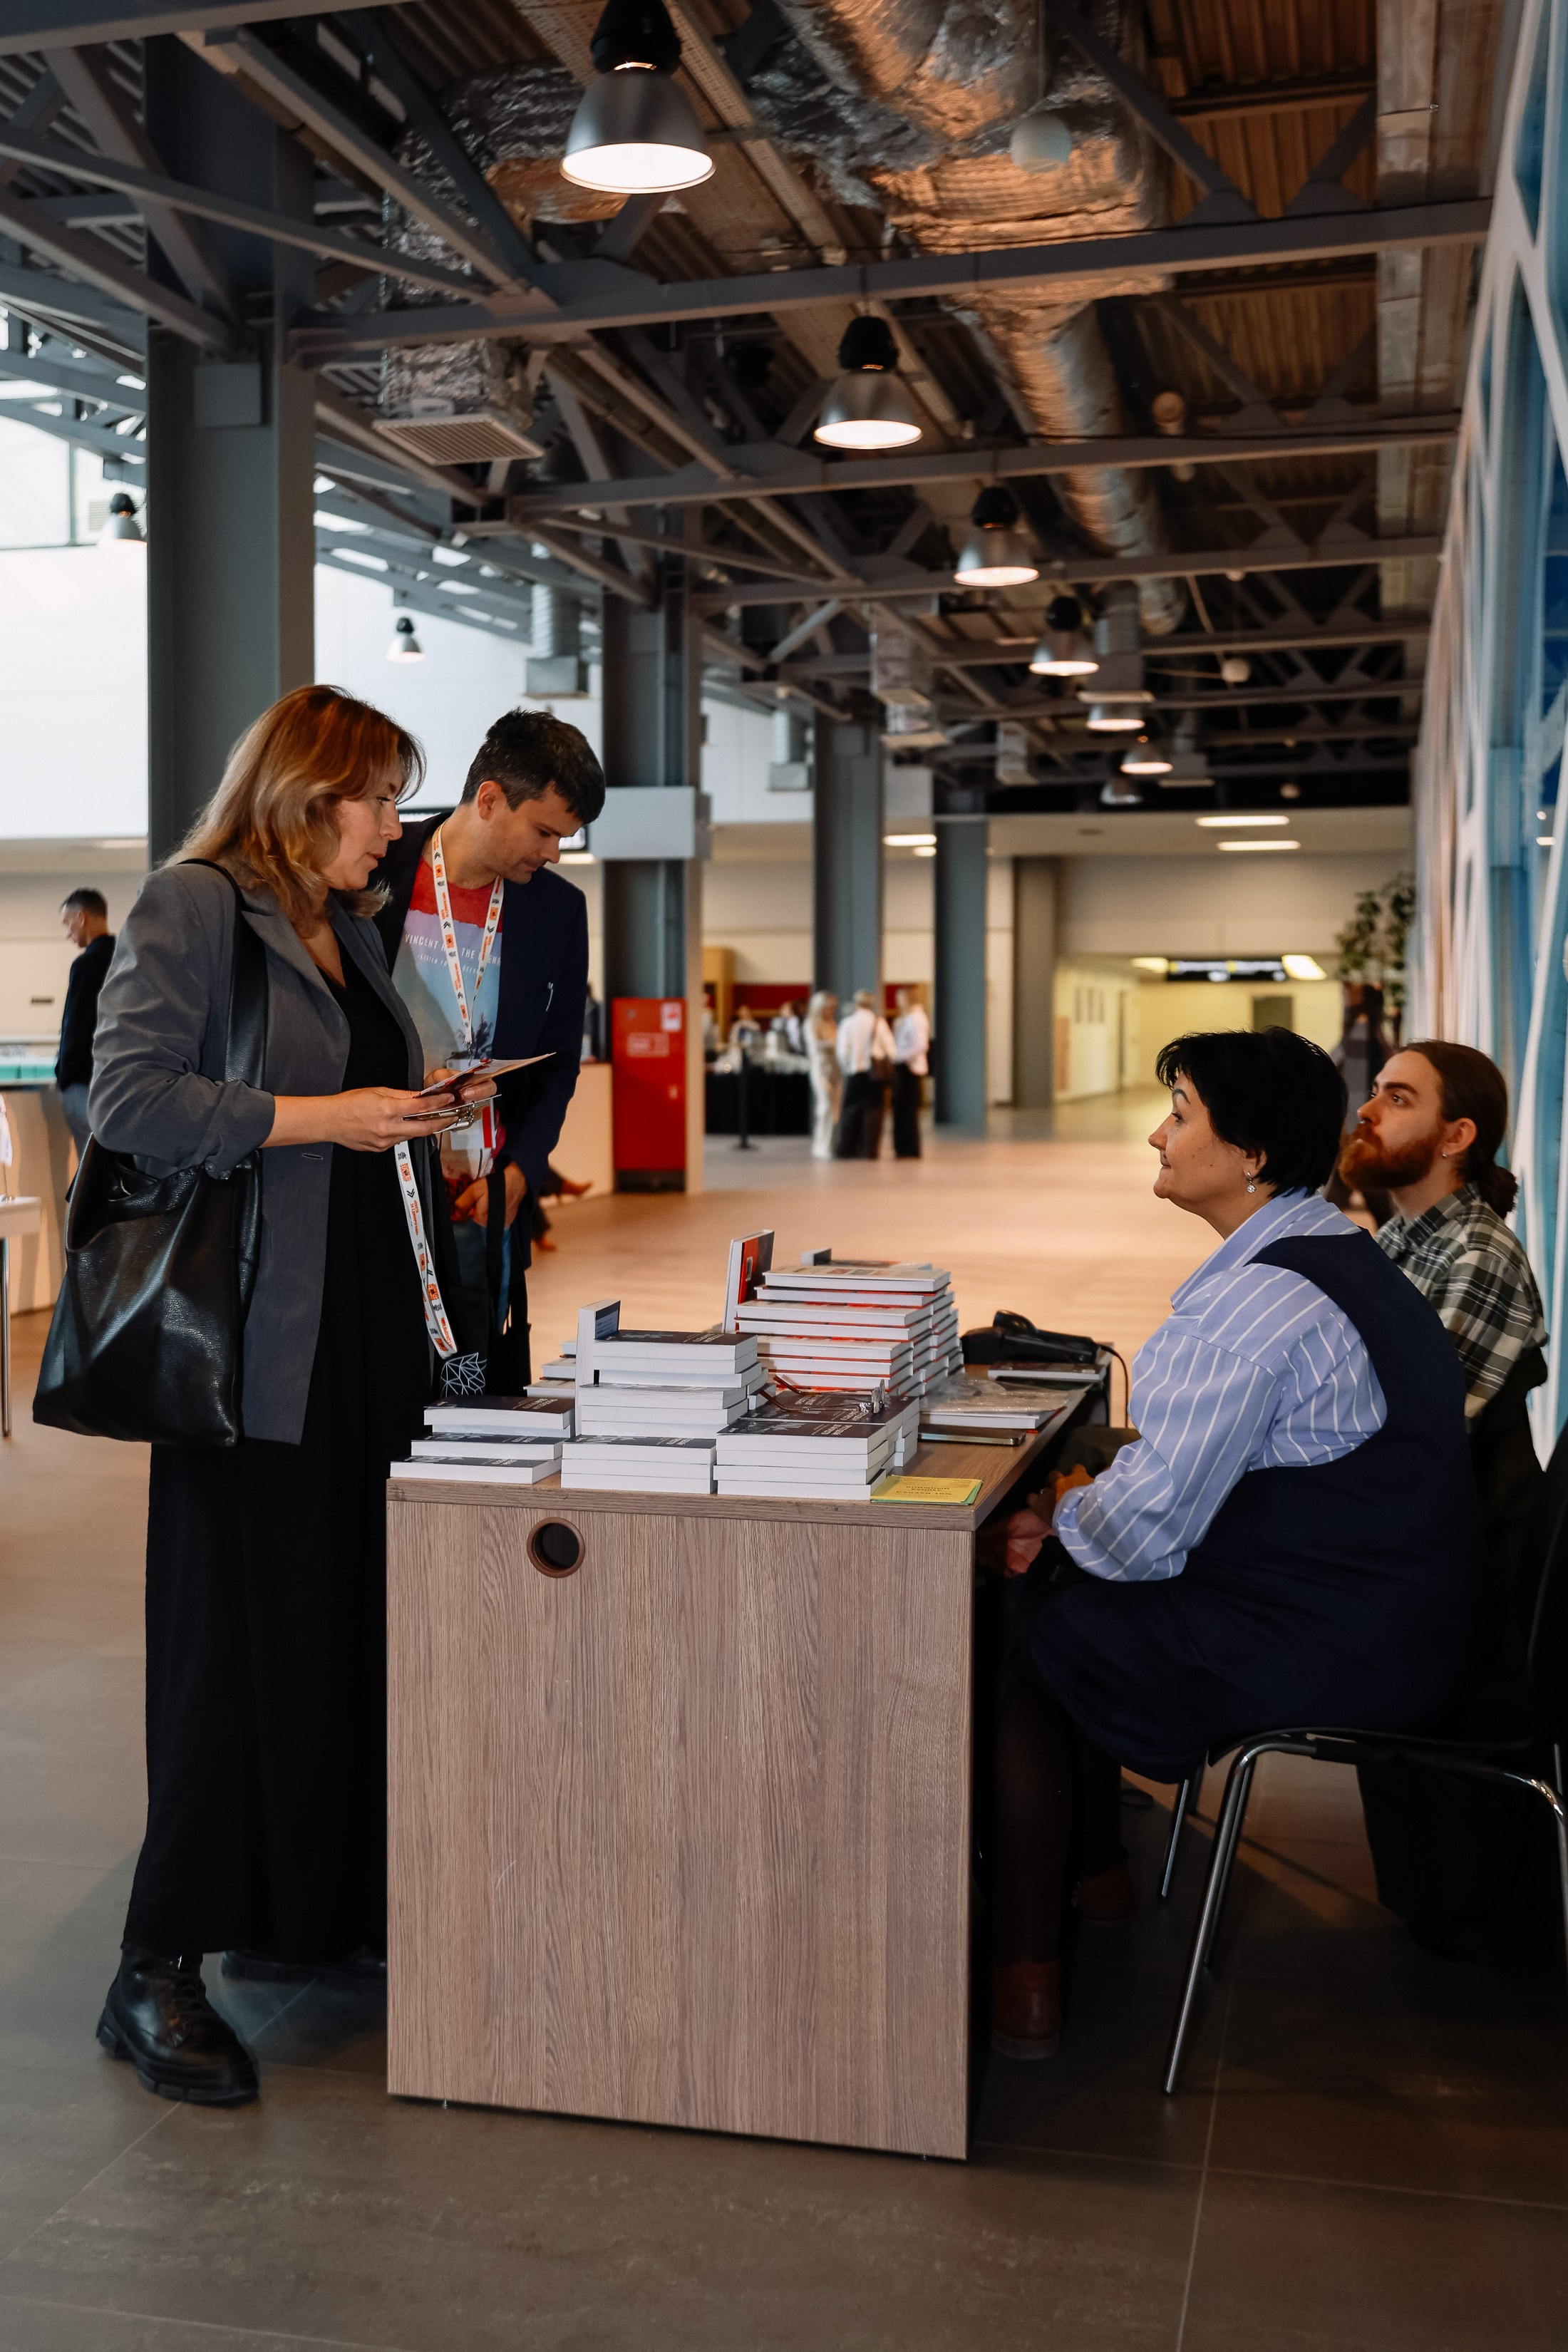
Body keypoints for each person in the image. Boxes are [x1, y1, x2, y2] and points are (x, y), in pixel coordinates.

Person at [88, 684, 488, 2107]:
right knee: (231, 1646)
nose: (396, 826)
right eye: (378, 799)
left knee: (342, 1627)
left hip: (370, 1334)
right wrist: (328, 1119)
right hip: (251, 1346)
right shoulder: (194, 906)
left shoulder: (350, 927)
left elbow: (358, 1091)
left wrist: (428, 1107)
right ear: (302, 796)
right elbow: (126, 1096)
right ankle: (156, 1969)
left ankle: (306, 1909)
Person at [986, 1028, 1482, 2058]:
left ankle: (1029, 1972)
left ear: (1250, 1152)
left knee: (1025, 1619)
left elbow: (1147, 1535)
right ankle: (1099, 1879)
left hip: (1337, 1646)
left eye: (1180, 1112)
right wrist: (1085, 1515)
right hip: (1404, 1614)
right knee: (1070, 1582)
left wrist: (1060, 1522)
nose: (1158, 1134)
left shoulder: (1253, 1308)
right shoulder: (1338, 1250)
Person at [1340, 1041, 1557, 1966]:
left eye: (1398, 1098)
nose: (1370, 1112)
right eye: (1374, 1095)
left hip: (1465, 1597)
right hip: (1420, 1561)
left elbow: (1409, 1444)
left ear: (1456, 1135)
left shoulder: (1476, 1255)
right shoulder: (1400, 1241)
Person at [374, 708, 604, 1393]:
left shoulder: (557, 912)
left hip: (481, 1201)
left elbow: (560, 1063)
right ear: (489, 799)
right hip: (375, 1182)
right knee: (382, 1388)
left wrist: (523, 1170)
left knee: (471, 1395)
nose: (555, 853)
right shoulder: (375, 870)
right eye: (544, 831)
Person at [55, 887, 115, 1155]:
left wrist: (64, 1076)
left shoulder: (86, 964)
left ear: (82, 917)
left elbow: (75, 1027)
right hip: (116, 1079)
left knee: (90, 1163)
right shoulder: (127, 958)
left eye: (68, 923)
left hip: (84, 1083)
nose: (68, 933)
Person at [835, 988, 895, 1159]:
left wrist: (849, 1067)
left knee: (850, 1110)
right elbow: (891, 1049)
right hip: (875, 1074)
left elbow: (842, 1052)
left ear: (856, 1003)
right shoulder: (879, 1022)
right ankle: (870, 1150)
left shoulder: (847, 1023)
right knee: (875, 1111)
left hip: (856, 1072)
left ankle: (848, 1148)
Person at [890, 985, 930, 1160]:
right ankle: (902, 1147)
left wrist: (897, 1056)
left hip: (909, 1068)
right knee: (901, 1109)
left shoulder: (916, 1019)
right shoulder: (906, 1018)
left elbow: (921, 1045)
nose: (898, 1002)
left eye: (900, 998)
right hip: (903, 1065)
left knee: (908, 1110)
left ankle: (909, 1147)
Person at [805, 990, 840, 1160]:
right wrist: (832, 1043)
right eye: (829, 1007)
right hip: (820, 1068)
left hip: (835, 1069)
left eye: (834, 1007)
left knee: (833, 1108)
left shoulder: (831, 1022)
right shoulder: (811, 1023)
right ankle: (821, 1146)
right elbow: (814, 1045)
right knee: (825, 1106)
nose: (832, 1010)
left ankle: (827, 1144)